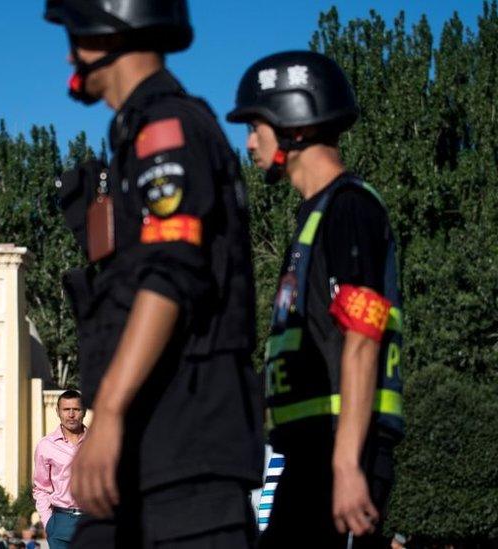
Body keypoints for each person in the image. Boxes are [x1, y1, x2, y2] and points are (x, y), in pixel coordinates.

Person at [46, 0, 263, 546]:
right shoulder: (139, 136)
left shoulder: (167, 127)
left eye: (76, 32)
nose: (70, 52)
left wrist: (110, 412)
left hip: (189, 449)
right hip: (150, 446)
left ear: (106, 33)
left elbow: (171, 274)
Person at [226, 50, 405, 548]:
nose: (249, 143)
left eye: (255, 126)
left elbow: (362, 334)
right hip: (308, 454)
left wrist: (347, 466)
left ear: (294, 125)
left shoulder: (349, 209)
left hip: (342, 453)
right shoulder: (314, 218)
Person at [32, 390, 86, 549]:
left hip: (92, 520)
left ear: (83, 411)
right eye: (66, 409)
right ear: (57, 412)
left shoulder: (97, 442)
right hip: (61, 521)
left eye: (76, 409)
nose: (71, 414)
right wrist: (48, 521)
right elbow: (41, 488)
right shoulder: (46, 446)